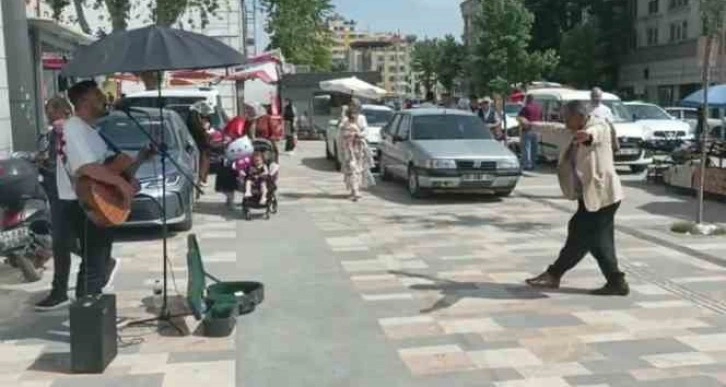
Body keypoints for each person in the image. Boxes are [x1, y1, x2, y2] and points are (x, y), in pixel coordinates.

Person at [37, 81, 153, 309]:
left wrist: (139, 160)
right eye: (98, 94)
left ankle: (91, 315)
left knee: (97, 263)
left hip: (99, 202)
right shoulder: (73, 127)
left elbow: (110, 169)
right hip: (81, 203)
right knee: (92, 266)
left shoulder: (93, 132)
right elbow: (84, 168)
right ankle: (88, 320)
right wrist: (119, 182)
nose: (104, 98)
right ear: (84, 102)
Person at [525, 100, 628, 296]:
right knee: (597, 242)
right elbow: (552, 129)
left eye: (567, 117)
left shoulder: (599, 126)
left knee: (579, 234)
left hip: (603, 196)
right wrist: (530, 125)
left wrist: (587, 135)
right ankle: (616, 282)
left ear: (579, 116)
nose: (564, 121)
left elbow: (597, 133)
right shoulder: (570, 130)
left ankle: (553, 274)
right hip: (588, 196)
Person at [35, 96, 74, 310]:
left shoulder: (59, 129)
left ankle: (59, 292)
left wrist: (43, 165)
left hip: (61, 193)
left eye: (49, 110)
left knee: (60, 242)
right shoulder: (73, 128)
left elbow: (59, 161)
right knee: (64, 240)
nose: (47, 114)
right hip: (68, 193)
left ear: (60, 110)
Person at [338, 99, 375, 201]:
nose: (353, 108)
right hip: (348, 149)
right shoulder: (345, 120)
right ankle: (354, 190)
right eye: (352, 106)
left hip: (359, 148)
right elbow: (341, 133)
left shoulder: (362, 118)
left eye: (355, 106)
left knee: (358, 169)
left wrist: (359, 135)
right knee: (351, 167)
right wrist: (347, 134)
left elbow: (365, 130)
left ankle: (356, 189)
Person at [187, 103, 214, 187]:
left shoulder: (198, 115)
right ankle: (201, 178)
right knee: (202, 159)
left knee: (204, 159)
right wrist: (204, 130)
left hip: (203, 141)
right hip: (199, 141)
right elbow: (196, 128)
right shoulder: (194, 116)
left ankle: (202, 178)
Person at [517, 95, 543, 170]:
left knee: (526, 148)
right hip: (536, 129)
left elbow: (520, 117)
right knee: (534, 148)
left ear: (527, 99)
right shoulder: (539, 108)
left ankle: (527, 165)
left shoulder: (525, 108)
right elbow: (541, 118)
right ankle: (533, 164)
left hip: (527, 129)